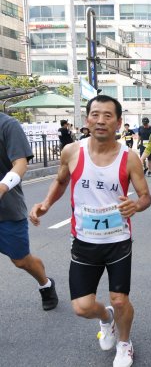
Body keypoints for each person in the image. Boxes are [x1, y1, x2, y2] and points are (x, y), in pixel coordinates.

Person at [29, 95, 151, 367]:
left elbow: (145, 197)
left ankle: (124, 343)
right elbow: (61, 181)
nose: (101, 120)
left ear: (119, 122)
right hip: (84, 240)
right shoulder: (72, 151)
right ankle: (105, 318)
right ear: (87, 120)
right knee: (82, 307)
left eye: (108, 115)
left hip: (118, 240)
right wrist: (46, 204)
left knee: (120, 300)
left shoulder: (129, 158)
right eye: (95, 114)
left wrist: (136, 206)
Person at [0, 112, 59, 312]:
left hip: (6, 208)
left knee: (21, 260)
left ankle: (45, 284)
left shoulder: (8, 125)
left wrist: (2, 187)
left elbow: (20, 164)